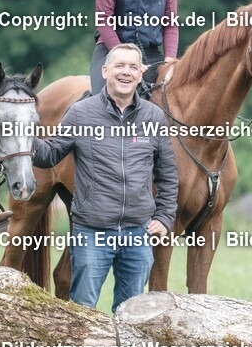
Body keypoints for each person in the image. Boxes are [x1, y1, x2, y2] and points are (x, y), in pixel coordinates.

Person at [33, 43, 179, 312]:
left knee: (130, 317)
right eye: (119, 66)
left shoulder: (154, 117)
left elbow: (168, 173)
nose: (126, 72)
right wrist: (24, 140)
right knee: (83, 313)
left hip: (138, 235)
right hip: (92, 233)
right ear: (105, 70)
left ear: (141, 73)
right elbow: (50, 153)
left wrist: (164, 217)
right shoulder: (81, 113)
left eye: (133, 67)